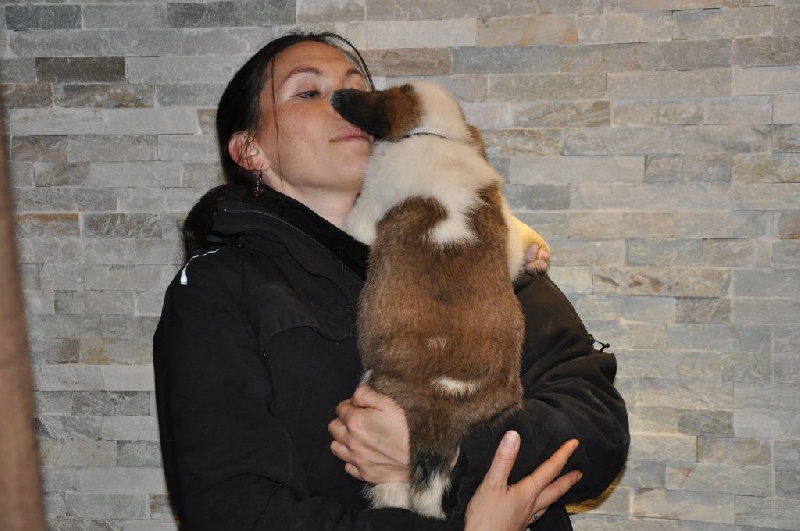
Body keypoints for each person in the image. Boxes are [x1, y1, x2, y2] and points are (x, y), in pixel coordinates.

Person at [153, 31, 629, 531]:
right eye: (309, 92)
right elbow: (232, 509)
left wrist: (446, 456)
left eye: (358, 91)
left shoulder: (476, 240)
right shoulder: (220, 287)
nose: (346, 103)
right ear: (249, 149)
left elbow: (597, 430)